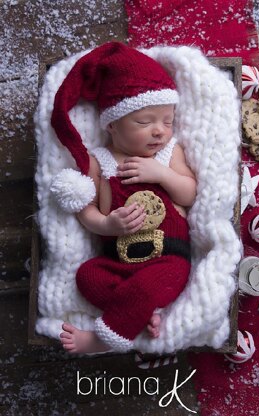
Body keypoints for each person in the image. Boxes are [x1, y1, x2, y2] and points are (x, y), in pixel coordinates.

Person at [50, 42, 196, 353]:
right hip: (117, 262)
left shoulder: (169, 154)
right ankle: (137, 314)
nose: (159, 131)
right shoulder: (98, 162)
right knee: (87, 276)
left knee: (146, 286)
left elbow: (189, 193)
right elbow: (85, 211)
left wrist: (162, 175)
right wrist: (107, 225)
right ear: (113, 124)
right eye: (145, 122)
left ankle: (101, 341)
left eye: (167, 121)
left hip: (168, 259)